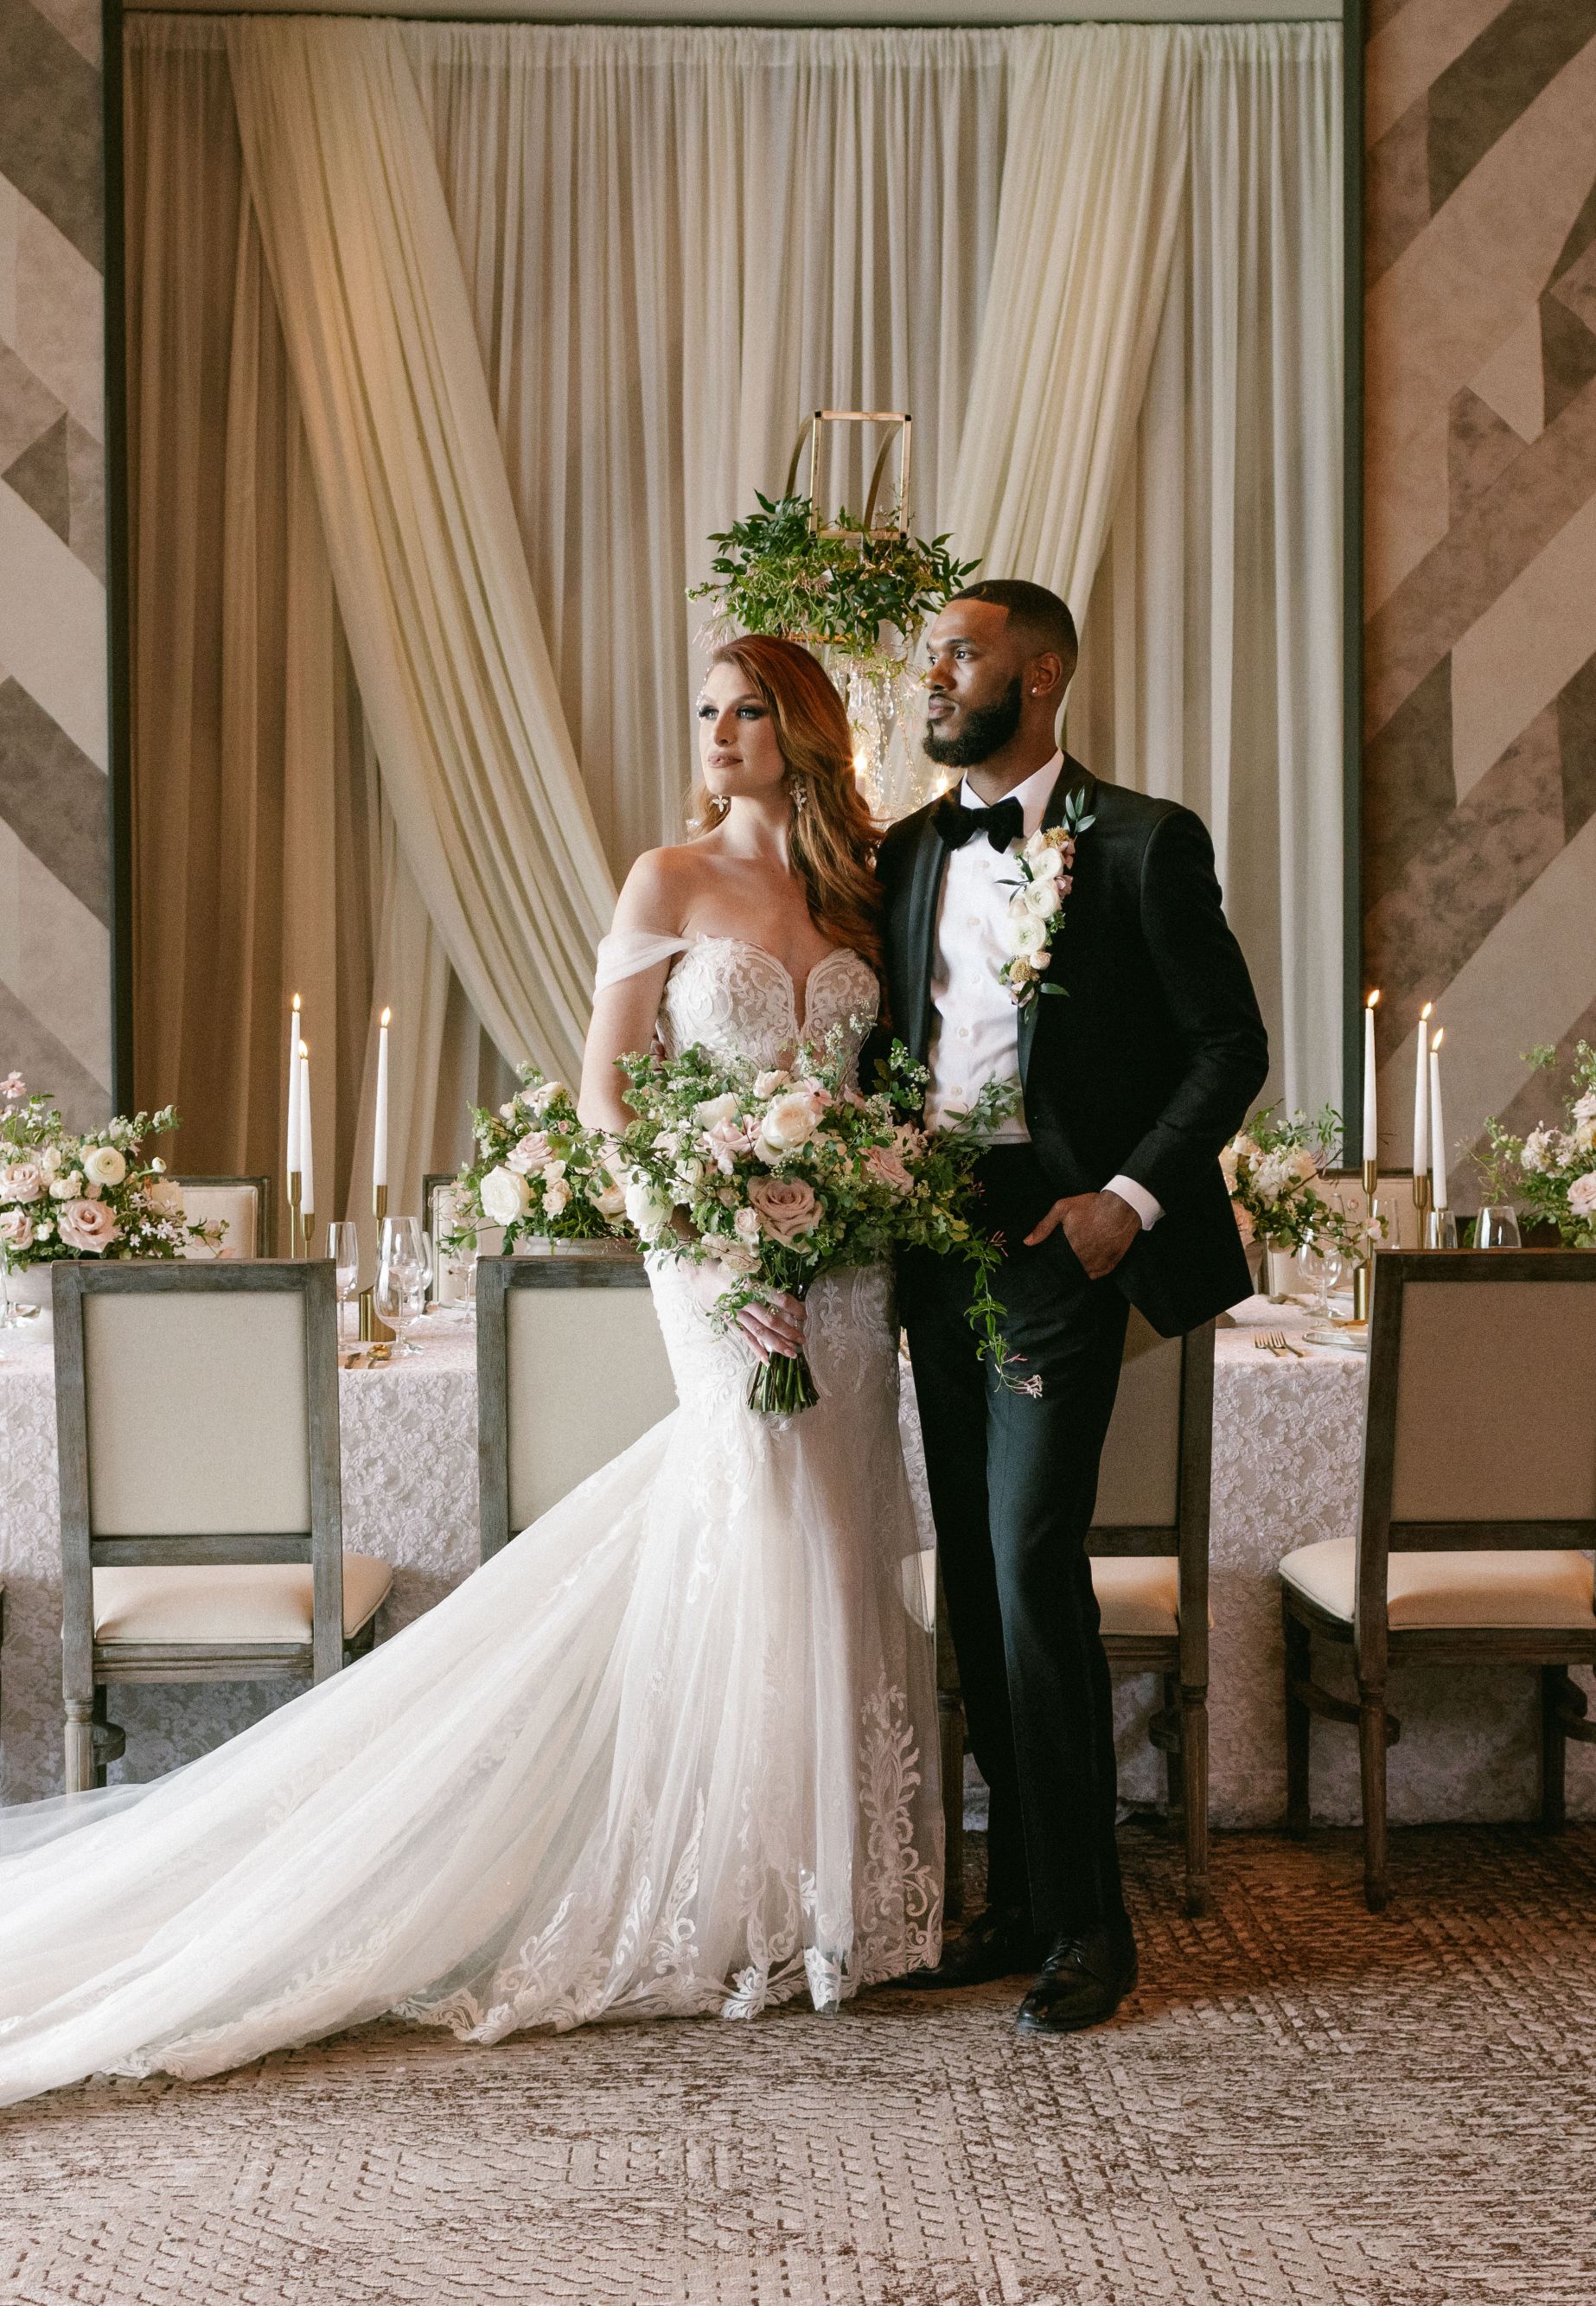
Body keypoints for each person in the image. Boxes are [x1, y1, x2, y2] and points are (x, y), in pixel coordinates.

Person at [0, 636, 941, 2106]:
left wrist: (856, 1202)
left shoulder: (862, 897)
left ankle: (843, 1901)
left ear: (805, 724)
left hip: (851, 1271)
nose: (718, 732)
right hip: (713, 1259)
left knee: (841, 1536)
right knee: (754, 1524)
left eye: (747, 708)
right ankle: (734, 1904)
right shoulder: (666, 880)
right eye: (701, 709)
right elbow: (608, 1091)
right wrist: (711, 1250)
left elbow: (884, 1091)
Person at [878, 579, 1268, 2035]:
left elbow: (1229, 1044)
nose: (932, 677)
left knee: (1032, 1553)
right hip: (932, 1239)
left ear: (1036, 677)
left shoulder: (1146, 844)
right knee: (977, 1575)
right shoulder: (907, 849)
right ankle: (1023, 1896)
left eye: (957, 654)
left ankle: (1092, 1928)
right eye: (929, 657)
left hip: (1063, 1240)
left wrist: (1127, 1199)